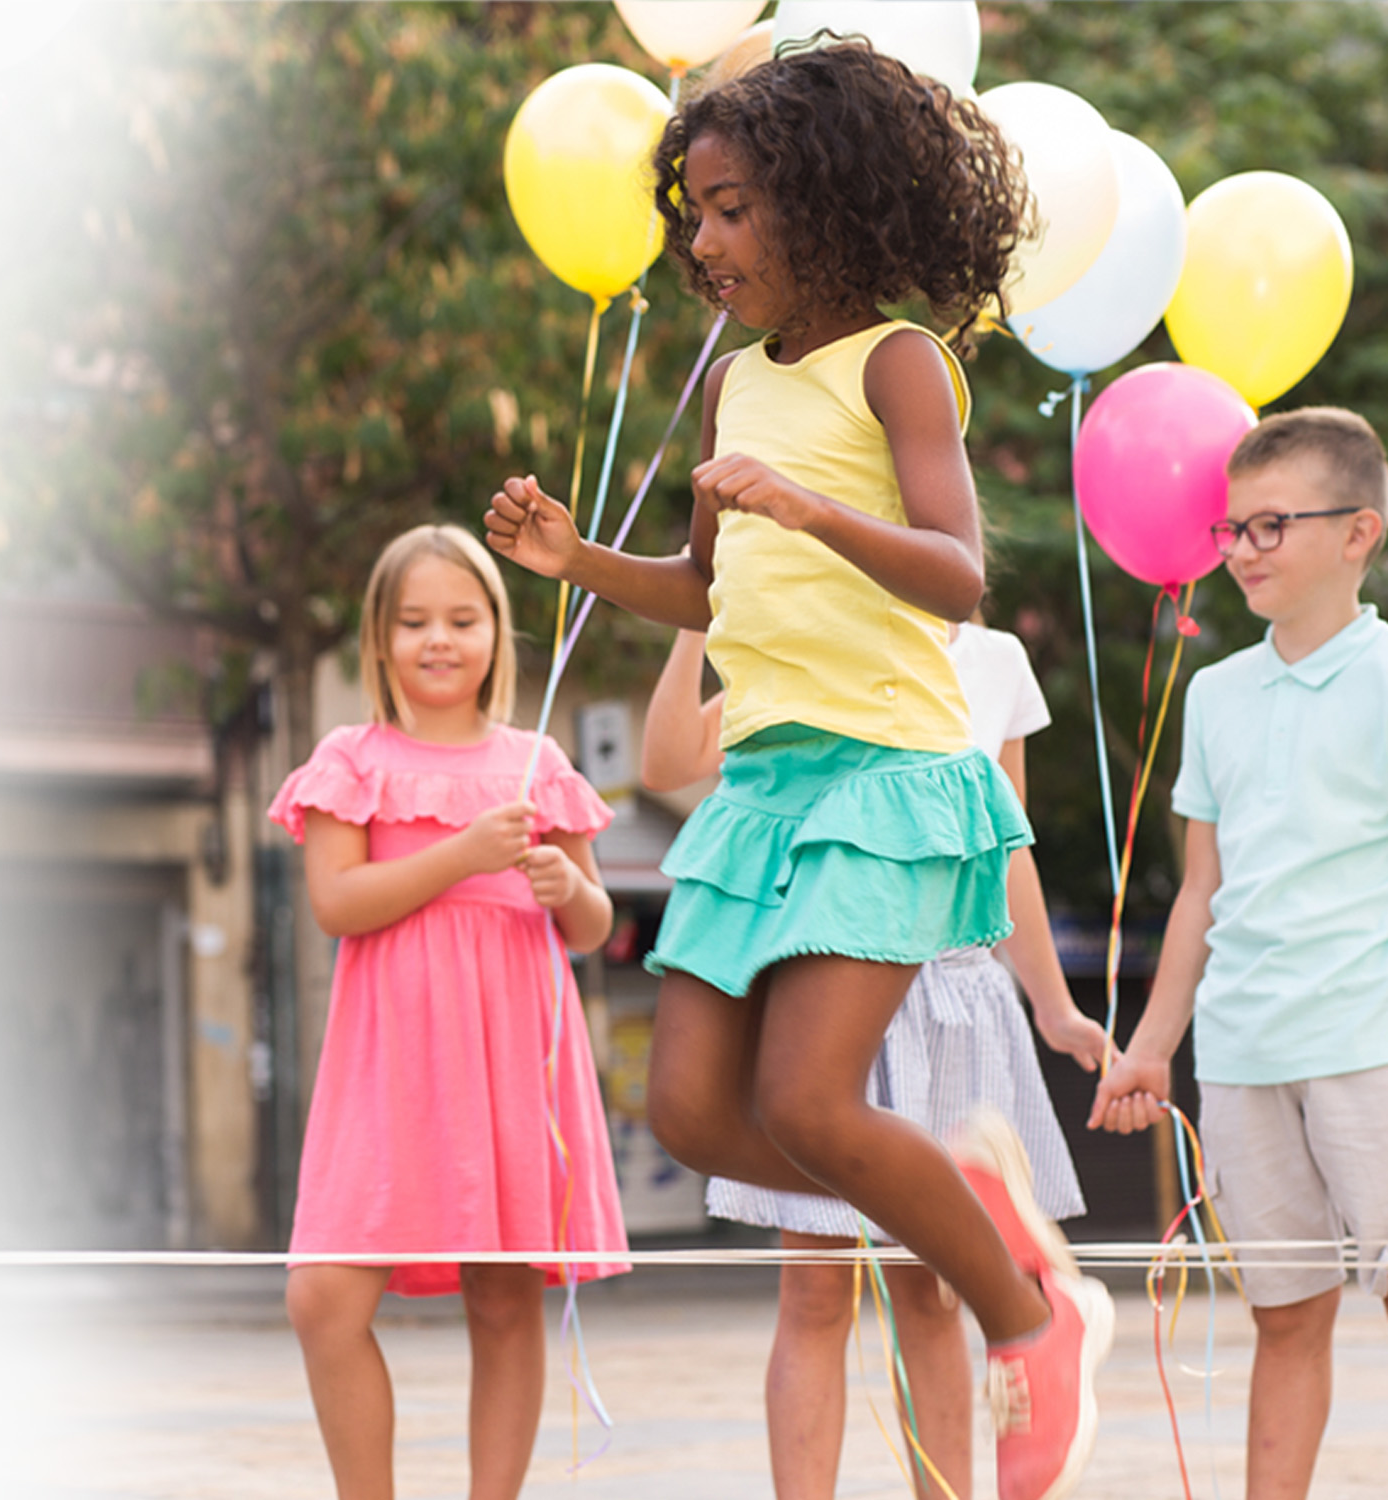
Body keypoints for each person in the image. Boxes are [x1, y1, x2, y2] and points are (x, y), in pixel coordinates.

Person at [477, 40, 1112, 1500]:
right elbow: (711, 592)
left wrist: (818, 509)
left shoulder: (900, 365)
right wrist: (578, 562)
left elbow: (958, 577)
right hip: (759, 790)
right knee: (704, 1115)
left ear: (831, 201)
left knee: (816, 1106)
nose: (702, 242)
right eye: (691, 212)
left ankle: (1036, 1312)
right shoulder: (736, 395)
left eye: (734, 208)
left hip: (880, 777)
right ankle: (974, 1213)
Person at [1087, 408, 1388, 1500]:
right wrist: (1149, 1050)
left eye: (1271, 526)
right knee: (1284, 1319)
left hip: (1378, 1045)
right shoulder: (1216, 693)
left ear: (1359, 532)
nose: (1241, 551)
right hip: (1241, 1054)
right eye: (1233, 530)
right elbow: (1200, 895)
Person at [645, 621, 1112, 1500]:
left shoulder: (996, 661)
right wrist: (699, 608)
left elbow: (1007, 847)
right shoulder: (803, 630)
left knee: (932, 1293)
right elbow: (668, 760)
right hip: (828, 982)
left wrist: (1053, 1004)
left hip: (950, 991)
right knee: (815, 1290)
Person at [273, 524, 623, 1500]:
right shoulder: (353, 756)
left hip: (514, 1049)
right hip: (391, 1058)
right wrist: (464, 854)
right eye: (414, 621)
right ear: (379, 640)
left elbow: (593, 926)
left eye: (463, 619)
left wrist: (565, 887)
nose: (439, 640)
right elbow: (338, 904)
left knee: (505, 1297)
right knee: (323, 1299)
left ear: (497, 636)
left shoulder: (535, 760)